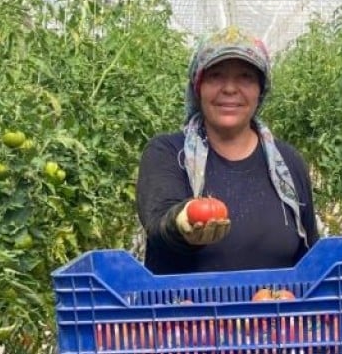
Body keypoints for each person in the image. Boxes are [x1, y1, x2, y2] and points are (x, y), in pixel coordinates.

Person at [136, 26, 320, 275]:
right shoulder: (168, 153)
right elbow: (158, 223)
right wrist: (182, 221)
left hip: (275, 310)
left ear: (260, 90)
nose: (230, 89)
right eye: (216, 76)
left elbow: (310, 254)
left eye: (245, 76)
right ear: (198, 87)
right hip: (187, 311)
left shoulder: (288, 163)